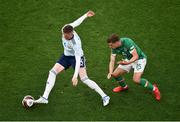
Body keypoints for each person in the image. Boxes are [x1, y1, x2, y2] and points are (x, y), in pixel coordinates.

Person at [34, 10, 110, 106]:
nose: (64, 37)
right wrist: (86, 15)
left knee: (84, 79)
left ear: (72, 33)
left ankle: (104, 96)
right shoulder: (65, 29)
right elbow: (76, 23)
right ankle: (45, 97)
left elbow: (78, 61)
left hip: (77, 58)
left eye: (67, 35)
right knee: (52, 72)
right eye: (64, 35)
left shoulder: (76, 44)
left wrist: (75, 76)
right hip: (66, 56)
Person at [107, 34, 161, 101]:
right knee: (115, 74)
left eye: (111, 45)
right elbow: (112, 60)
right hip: (128, 59)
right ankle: (124, 87)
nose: (110, 47)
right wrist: (110, 72)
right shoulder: (114, 48)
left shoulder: (127, 42)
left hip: (140, 60)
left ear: (117, 42)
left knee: (136, 80)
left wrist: (127, 63)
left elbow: (136, 56)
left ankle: (155, 89)